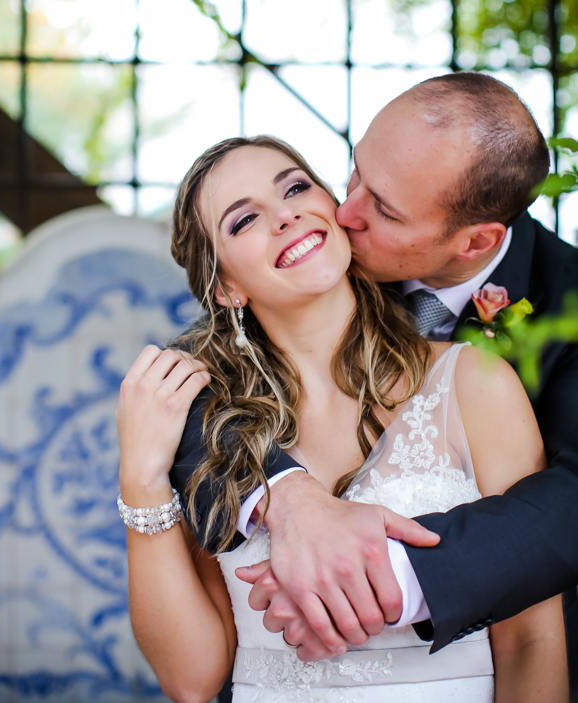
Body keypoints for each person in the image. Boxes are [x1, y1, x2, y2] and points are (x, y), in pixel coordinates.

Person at [117, 133, 568, 702]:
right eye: (243, 221)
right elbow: (192, 678)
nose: (286, 216)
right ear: (225, 285)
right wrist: (140, 482)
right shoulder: (207, 430)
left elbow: (531, 639)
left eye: (296, 188)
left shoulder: (475, 384)